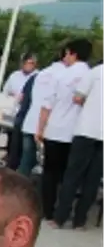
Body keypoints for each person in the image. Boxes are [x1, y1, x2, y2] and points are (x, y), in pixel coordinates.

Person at [36, 38, 92, 223]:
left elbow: (47, 104)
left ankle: (47, 210)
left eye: (67, 53)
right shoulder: (90, 75)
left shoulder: (60, 75)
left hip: (55, 129)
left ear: (73, 53)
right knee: (69, 175)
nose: (65, 57)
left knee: (50, 172)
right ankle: (63, 211)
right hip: (77, 132)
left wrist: (40, 128)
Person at [53, 61, 103, 229]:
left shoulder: (95, 72)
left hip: (86, 130)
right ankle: (80, 220)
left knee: (73, 175)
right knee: (93, 179)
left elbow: (77, 98)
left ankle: (60, 218)